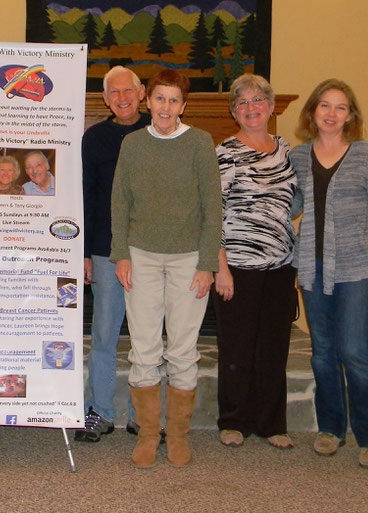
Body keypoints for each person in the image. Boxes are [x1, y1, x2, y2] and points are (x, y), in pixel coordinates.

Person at [111, 69, 221, 468]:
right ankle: (147, 433)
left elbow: (213, 208)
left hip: (189, 259)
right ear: (148, 101)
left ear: (183, 106)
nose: (166, 107)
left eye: (174, 100)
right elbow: (119, 202)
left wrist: (208, 263)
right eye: (160, 98)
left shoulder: (199, 143)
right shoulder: (133, 144)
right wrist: (120, 253)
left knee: (183, 350)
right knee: (143, 348)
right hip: (140, 256)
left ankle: (177, 435)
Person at [290, 78, 368, 470]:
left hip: (358, 270)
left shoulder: (367, 155)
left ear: (350, 115)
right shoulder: (300, 157)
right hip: (312, 271)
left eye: (340, 107)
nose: (332, 114)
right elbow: (291, 203)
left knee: (354, 352)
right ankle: (331, 429)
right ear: (312, 112)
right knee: (322, 355)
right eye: (325, 106)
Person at [211, 74, 297, 450]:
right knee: (237, 347)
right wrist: (221, 267)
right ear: (234, 112)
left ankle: (271, 423)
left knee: (274, 347)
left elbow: (295, 202)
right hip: (238, 266)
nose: (252, 107)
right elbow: (212, 214)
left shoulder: (286, 150)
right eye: (243, 102)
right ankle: (233, 421)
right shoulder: (224, 152)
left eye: (258, 100)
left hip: (281, 265)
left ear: (271, 106)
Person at [77, 66, 149, 443]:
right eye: (114, 93)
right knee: (104, 334)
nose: (122, 98)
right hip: (105, 252)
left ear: (141, 93)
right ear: (105, 99)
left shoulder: (159, 130)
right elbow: (86, 198)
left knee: (147, 337)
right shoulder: (94, 138)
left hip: (151, 252)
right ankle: (101, 411)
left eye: (128, 91)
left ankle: (144, 416)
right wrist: (85, 252)